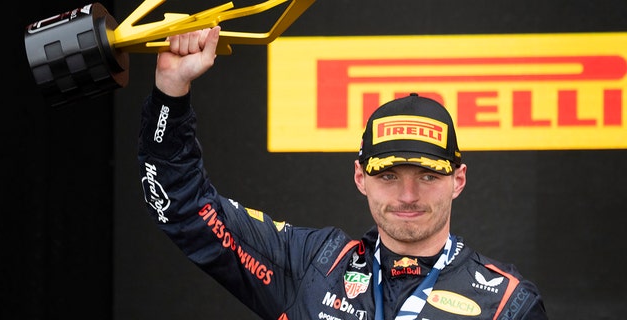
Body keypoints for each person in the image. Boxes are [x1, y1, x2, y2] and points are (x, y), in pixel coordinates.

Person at [137, 26, 548, 320]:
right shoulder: (312, 265)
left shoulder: (509, 303)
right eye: (388, 176)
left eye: (427, 176)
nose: (407, 194)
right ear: (359, 177)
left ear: (457, 180)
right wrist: (171, 91)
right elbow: (183, 208)